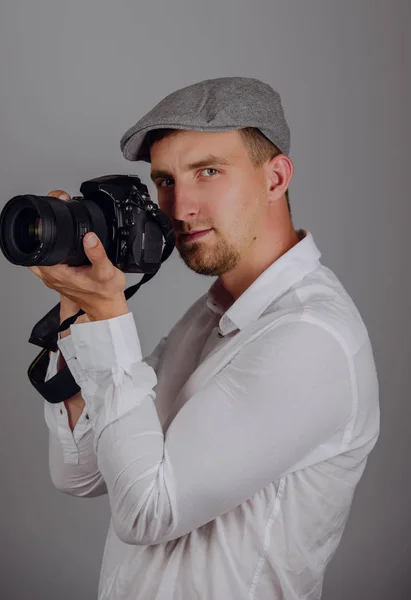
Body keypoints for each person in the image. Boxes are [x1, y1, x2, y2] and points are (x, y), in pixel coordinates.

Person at [39, 77, 380, 600]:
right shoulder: (211, 314)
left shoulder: (311, 337)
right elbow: (79, 472)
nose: (179, 208)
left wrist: (108, 312)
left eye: (208, 172)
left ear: (275, 178)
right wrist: (79, 307)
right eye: (165, 181)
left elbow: (148, 511)